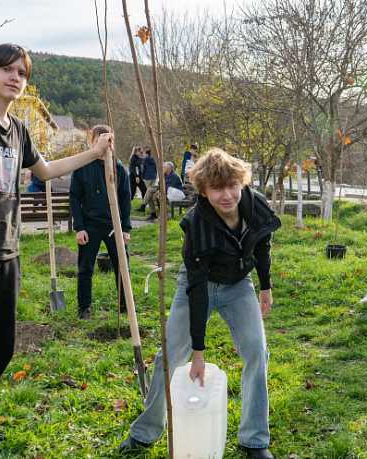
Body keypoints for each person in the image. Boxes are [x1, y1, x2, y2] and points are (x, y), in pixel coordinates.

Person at [0, 43, 112, 459]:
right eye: (7, 70)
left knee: (0, 347)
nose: (15, 78)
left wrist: (94, 154)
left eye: (22, 73)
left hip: (5, 253)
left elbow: (45, 171)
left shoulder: (18, 129)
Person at [119, 148, 281, 459]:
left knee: (257, 351)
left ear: (242, 182)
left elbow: (262, 243)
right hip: (198, 286)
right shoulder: (196, 225)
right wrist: (198, 351)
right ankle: (145, 432)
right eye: (217, 188)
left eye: (232, 185)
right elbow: (197, 289)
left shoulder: (254, 204)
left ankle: (255, 440)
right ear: (204, 191)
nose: (227, 195)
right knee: (167, 357)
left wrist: (265, 286)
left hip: (238, 285)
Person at [70, 125, 132, 319]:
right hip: (90, 225)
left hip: (114, 226)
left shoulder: (118, 167)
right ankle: (84, 308)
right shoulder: (82, 167)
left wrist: (125, 227)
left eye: (108, 140)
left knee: (122, 267)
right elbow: (74, 198)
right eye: (100, 140)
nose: (105, 144)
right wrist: (79, 227)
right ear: (93, 141)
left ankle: (125, 305)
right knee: (85, 268)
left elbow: (125, 198)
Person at [137, 147, 158, 212]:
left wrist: (142, 177)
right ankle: (152, 212)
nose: (143, 154)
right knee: (150, 194)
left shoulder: (145, 160)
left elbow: (143, 169)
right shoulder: (153, 160)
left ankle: (144, 206)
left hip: (147, 178)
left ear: (146, 154)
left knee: (149, 193)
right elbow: (155, 169)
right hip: (153, 177)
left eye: (143, 153)